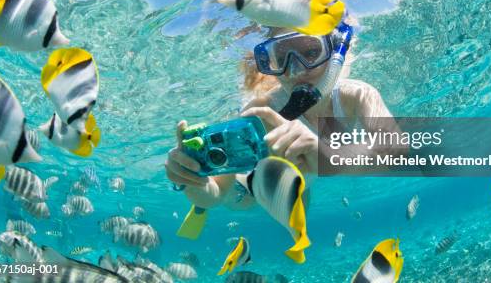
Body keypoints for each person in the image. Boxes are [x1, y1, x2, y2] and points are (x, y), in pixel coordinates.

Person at [165, 18, 399, 214]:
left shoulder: (357, 95)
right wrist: (196, 184)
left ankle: (300, 189)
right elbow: (215, 194)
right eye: (282, 58)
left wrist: (327, 155)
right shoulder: (261, 110)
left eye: (311, 52)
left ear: (334, 52)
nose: (296, 70)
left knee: (302, 194)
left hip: (304, 177)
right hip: (264, 182)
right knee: (246, 201)